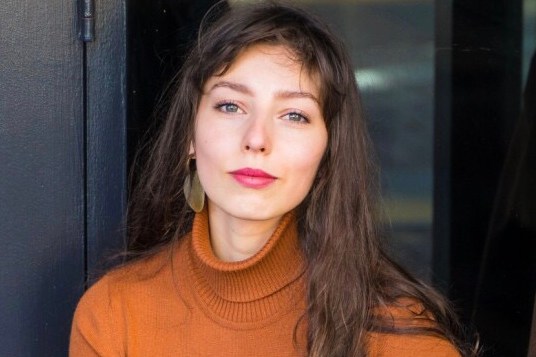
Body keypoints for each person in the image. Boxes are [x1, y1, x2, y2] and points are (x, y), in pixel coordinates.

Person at [70, 2, 478, 356]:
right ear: (189, 137)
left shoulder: (396, 334)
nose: (257, 139)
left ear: (327, 152)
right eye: (230, 106)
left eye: (294, 115)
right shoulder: (115, 313)